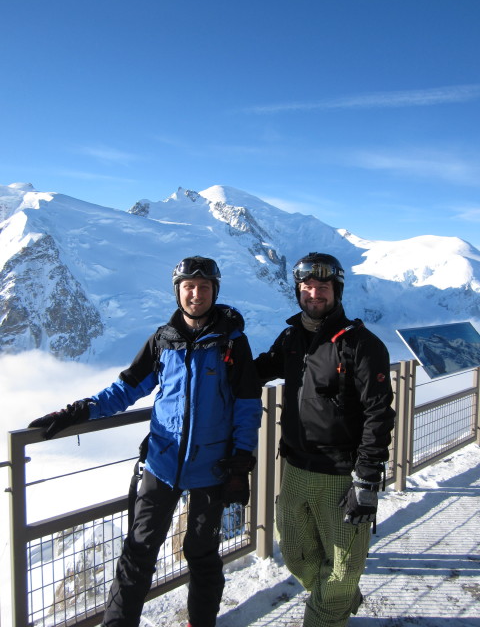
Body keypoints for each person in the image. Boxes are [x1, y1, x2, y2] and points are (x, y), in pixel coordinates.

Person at [29, 255, 263, 627]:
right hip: (161, 464)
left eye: (204, 288)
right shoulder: (162, 341)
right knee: (137, 553)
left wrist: (241, 461)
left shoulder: (232, 344)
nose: (196, 295)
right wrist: (79, 410)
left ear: (214, 291)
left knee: (201, 554)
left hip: (211, 469)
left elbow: (248, 406)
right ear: (178, 292)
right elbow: (126, 388)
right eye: (189, 287)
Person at [254, 252, 396, 627]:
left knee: (342, 566)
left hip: (341, 474)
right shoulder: (290, 338)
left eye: (323, 287)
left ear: (337, 291)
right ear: (298, 291)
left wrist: (366, 479)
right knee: (297, 553)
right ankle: (340, 593)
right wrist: (224, 342)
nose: (315, 293)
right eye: (307, 287)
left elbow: (379, 414)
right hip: (296, 467)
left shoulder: (362, 345)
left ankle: (330, 607)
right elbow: (253, 374)